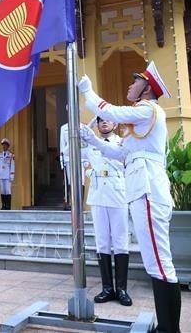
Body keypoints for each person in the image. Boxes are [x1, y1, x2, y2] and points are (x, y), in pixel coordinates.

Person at [78, 61, 181, 333]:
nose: (129, 85)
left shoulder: (148, 109)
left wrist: (88, 93)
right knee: (155, 262)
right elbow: (120, 153)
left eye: (135, 81)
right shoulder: (141, 121)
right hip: (142, 192)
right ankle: (166, 327)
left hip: (148, 191)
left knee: (159, 263)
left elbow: (111, 111)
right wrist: (92, 140)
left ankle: (170, 329)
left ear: (147, 88)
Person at [85, 116, 132, 306]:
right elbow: (68, 152)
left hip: (118, 193)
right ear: (97, 125)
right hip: (98, 195)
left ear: (115, 124)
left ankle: (121, 289)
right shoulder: (90, 145)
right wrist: (86, 127)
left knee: (120, 241)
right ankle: (107, 288)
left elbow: (128, 165)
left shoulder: (122, 142)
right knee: (102, 242)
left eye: (107, 120)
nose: (104, 123)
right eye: (100, 121)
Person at [0, 138, 15, 210]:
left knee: (7, 191)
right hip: (1, 175)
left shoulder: (11, 155)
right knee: (2, 191)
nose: (4, 147)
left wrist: (12, 175)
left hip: (7, 175)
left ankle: (8, 206)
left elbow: (12, 165)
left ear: (8, 146)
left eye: (5, 145)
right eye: (3, 145)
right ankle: (3, 206)